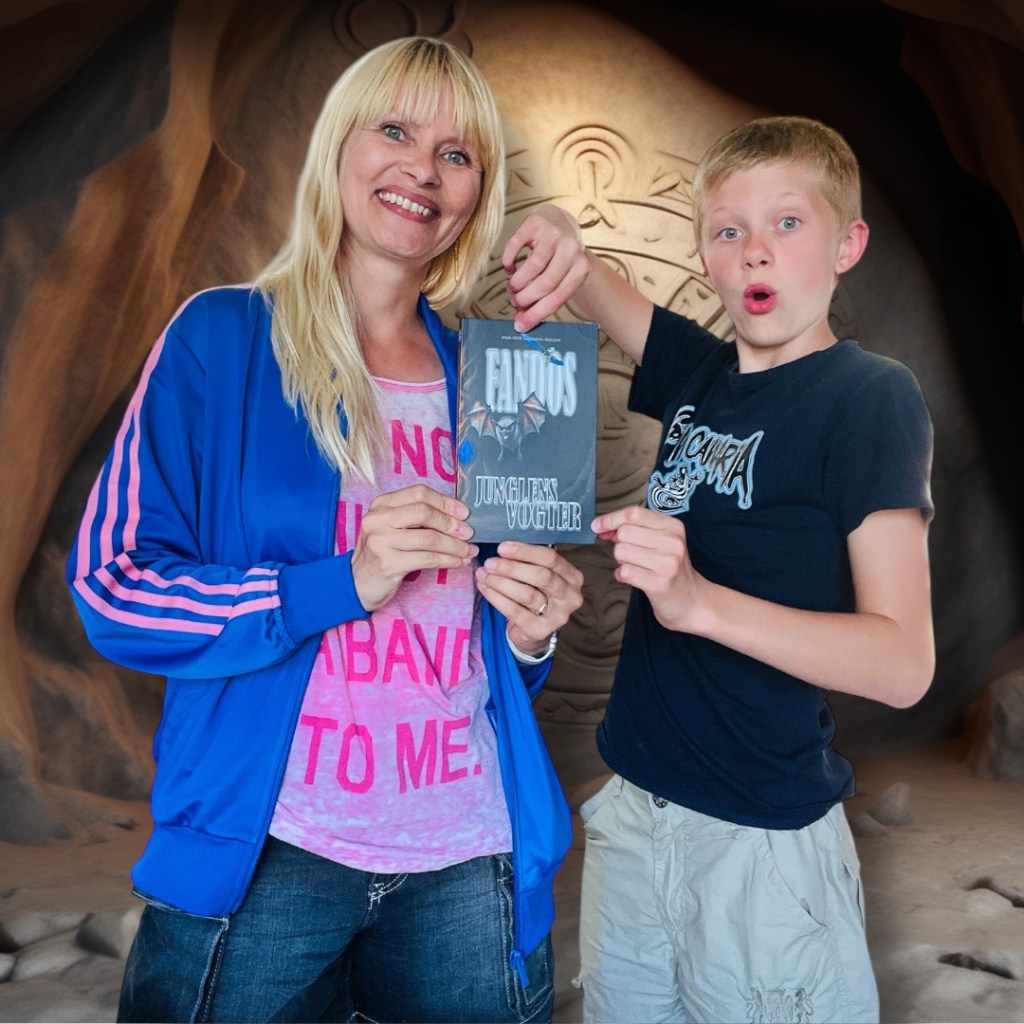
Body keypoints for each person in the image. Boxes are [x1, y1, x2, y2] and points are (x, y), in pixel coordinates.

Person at [67, 36, 583, 1024]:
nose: (422, 169)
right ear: (338, 146)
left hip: (468, 851)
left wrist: (529, 634)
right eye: (394, 130)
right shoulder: (223, 339)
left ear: (475, 194)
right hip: (269, 850)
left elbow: (476, 657)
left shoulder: (496, 380)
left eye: (457, 154)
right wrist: (338, 581)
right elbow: (113, 587)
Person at [501, 115, 935, 1023]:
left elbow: (903, 664)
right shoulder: (702, 377)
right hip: (635, 814)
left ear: (848, 244)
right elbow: (592, 284)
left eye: (788, 223)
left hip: (762, 843)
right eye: (728, 231)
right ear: (705, 256)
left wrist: (696, 600)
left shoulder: (870, 397)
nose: (755, 252)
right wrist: (562, 238)